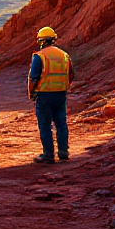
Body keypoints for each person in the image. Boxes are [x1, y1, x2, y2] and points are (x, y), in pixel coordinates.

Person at [29, 26, 74, 163]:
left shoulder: (40, 56)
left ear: (41, 41)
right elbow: (71, 75)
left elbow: (33, 78)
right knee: (61, 123)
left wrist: (31, 93)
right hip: (60, 94)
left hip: (44, 95)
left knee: (45, 124)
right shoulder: (64, 55)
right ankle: (63, 152)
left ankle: (48, 154)